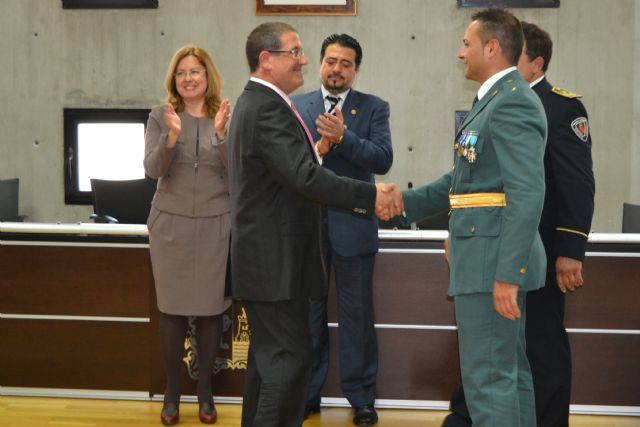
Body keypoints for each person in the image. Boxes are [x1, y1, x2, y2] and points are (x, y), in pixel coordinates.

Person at [380, 8, 548, 426]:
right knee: (509, 374)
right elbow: (462, 183)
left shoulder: (511, 103)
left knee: (488, 381)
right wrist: (404, 202)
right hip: (485, 255)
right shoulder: (493, 101)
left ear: (492, 47)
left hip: (492, 263)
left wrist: (508, 274)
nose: (460, 53)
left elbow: (527, 193)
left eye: (466, 43)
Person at [227, 22, 395, 427]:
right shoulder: (269, 107)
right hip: (274, 262)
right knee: (290, 361)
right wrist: (371, 196)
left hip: (274, 260)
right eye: (296, 52)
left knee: (269, 365)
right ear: (267, 61)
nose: (303, 60)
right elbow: (303, 177)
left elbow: (295, 171)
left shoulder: (260, 103)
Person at [440, 21, 596, 427]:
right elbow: (475, 185)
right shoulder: (501, 101)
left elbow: (575, 186)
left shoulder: (556, 106)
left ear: (532, 61)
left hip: (527, 250)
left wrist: (570, 251)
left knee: (536, 352)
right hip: (508, 246)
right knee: (513, 362)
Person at [291, 33, 393, 426]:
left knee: (357, 319)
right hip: (305, 231)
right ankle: (308, 392)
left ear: (356, 70)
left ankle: (361, 398)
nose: (337, 69)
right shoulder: (297, 106)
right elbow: (288, 162)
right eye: (331, 61)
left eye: (346, 63)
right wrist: (319, 148)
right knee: (308, 318)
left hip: (354, 227)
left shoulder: (373, 108)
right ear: (320, 64)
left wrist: (344, 138)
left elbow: (382, 159)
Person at [144, 44, 231, 426]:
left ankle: (206, 390)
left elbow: (239, 172)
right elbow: (152, 169)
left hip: (216, 222)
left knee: (211, 309)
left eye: (195, 71)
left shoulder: (227, 114)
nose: (188, 78)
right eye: (181, 73)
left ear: (207, 76)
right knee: (173, 310)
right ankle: (172, 390)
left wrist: (224, 136)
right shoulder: (161, 116)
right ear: (173, 79)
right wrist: (172, 138)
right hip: (171, 224)